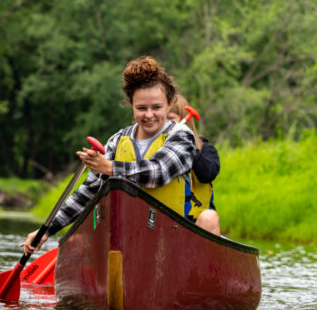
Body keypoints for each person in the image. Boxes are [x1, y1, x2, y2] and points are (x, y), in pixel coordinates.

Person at [22, 56, 197, 256]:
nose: (149, 115)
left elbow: (159, 171)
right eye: (141, 108)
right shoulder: (118, 140)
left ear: (170, 104)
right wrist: (46, 230)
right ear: (131, 105)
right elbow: (88, 193)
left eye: (156, 107)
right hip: (125, 239)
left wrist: (110, 167)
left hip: (168, 240)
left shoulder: (182, 136)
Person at [168, 94, 221, 236]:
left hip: (196, 225)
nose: (167, 126)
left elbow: (207, 174)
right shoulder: (153, 150)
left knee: (209, 217)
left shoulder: (205, 150)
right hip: (163, 222)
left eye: (171, 120)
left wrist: (188, 146)